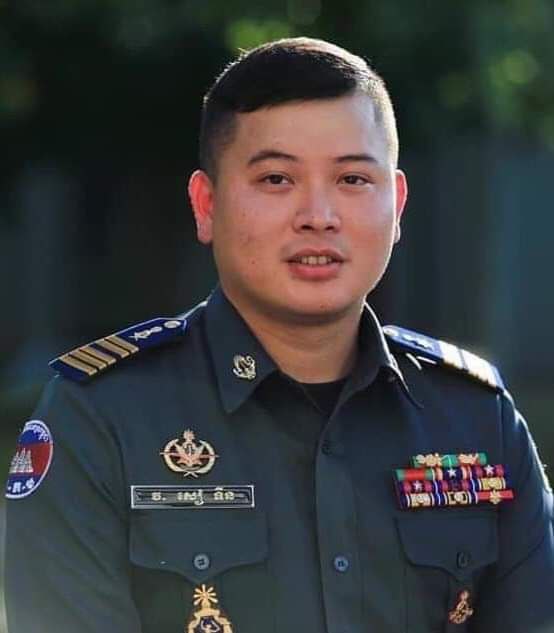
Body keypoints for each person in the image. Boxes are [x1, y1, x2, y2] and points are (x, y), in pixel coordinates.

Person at [4, 37, 554, 633]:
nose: (319, 216)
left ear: (396, 205)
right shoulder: (101, 419)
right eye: (276, 179)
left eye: (352, 179)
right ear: (206, 204)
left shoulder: (475, 418)